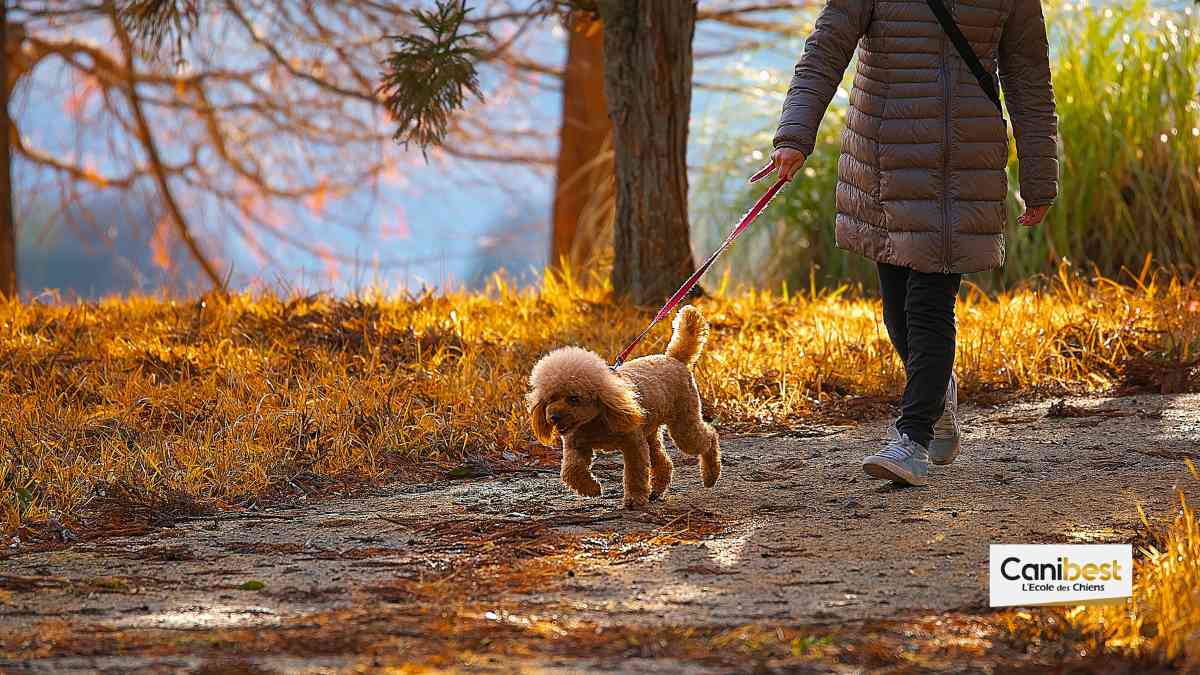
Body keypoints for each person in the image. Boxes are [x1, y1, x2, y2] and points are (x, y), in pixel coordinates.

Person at [770, 0, 1058, 486]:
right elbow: (825, 51)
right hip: (887, 160)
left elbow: (1029, 78)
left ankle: (913, 439)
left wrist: (1039, 178)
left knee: (929, 305)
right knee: (897, 309)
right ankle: (936, 389)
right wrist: (795, 136)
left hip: (963, 162)